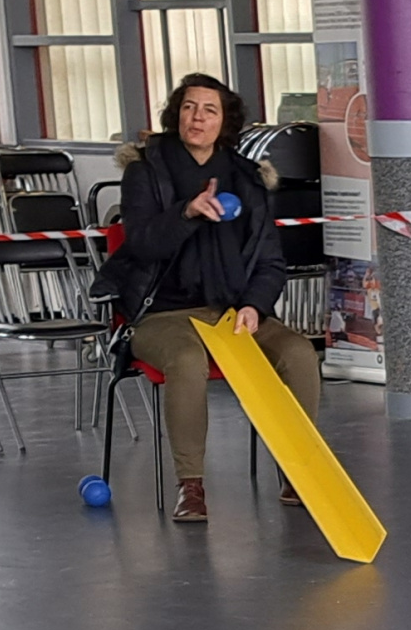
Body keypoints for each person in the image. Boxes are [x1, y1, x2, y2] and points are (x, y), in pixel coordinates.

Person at [105, 72, 324, 528]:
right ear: (176, 115)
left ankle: (298, 471)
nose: (197, 118)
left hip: (231, 308)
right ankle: (191, 485)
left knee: (299, 352)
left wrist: (254, 306)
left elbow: (270, 261)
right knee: (187, 360)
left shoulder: (247, 178)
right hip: (161, 312)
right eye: (188, 107)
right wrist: (186, 213)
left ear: (225, 121)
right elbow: (141, 245)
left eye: (209, 109)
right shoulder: (145, 172)